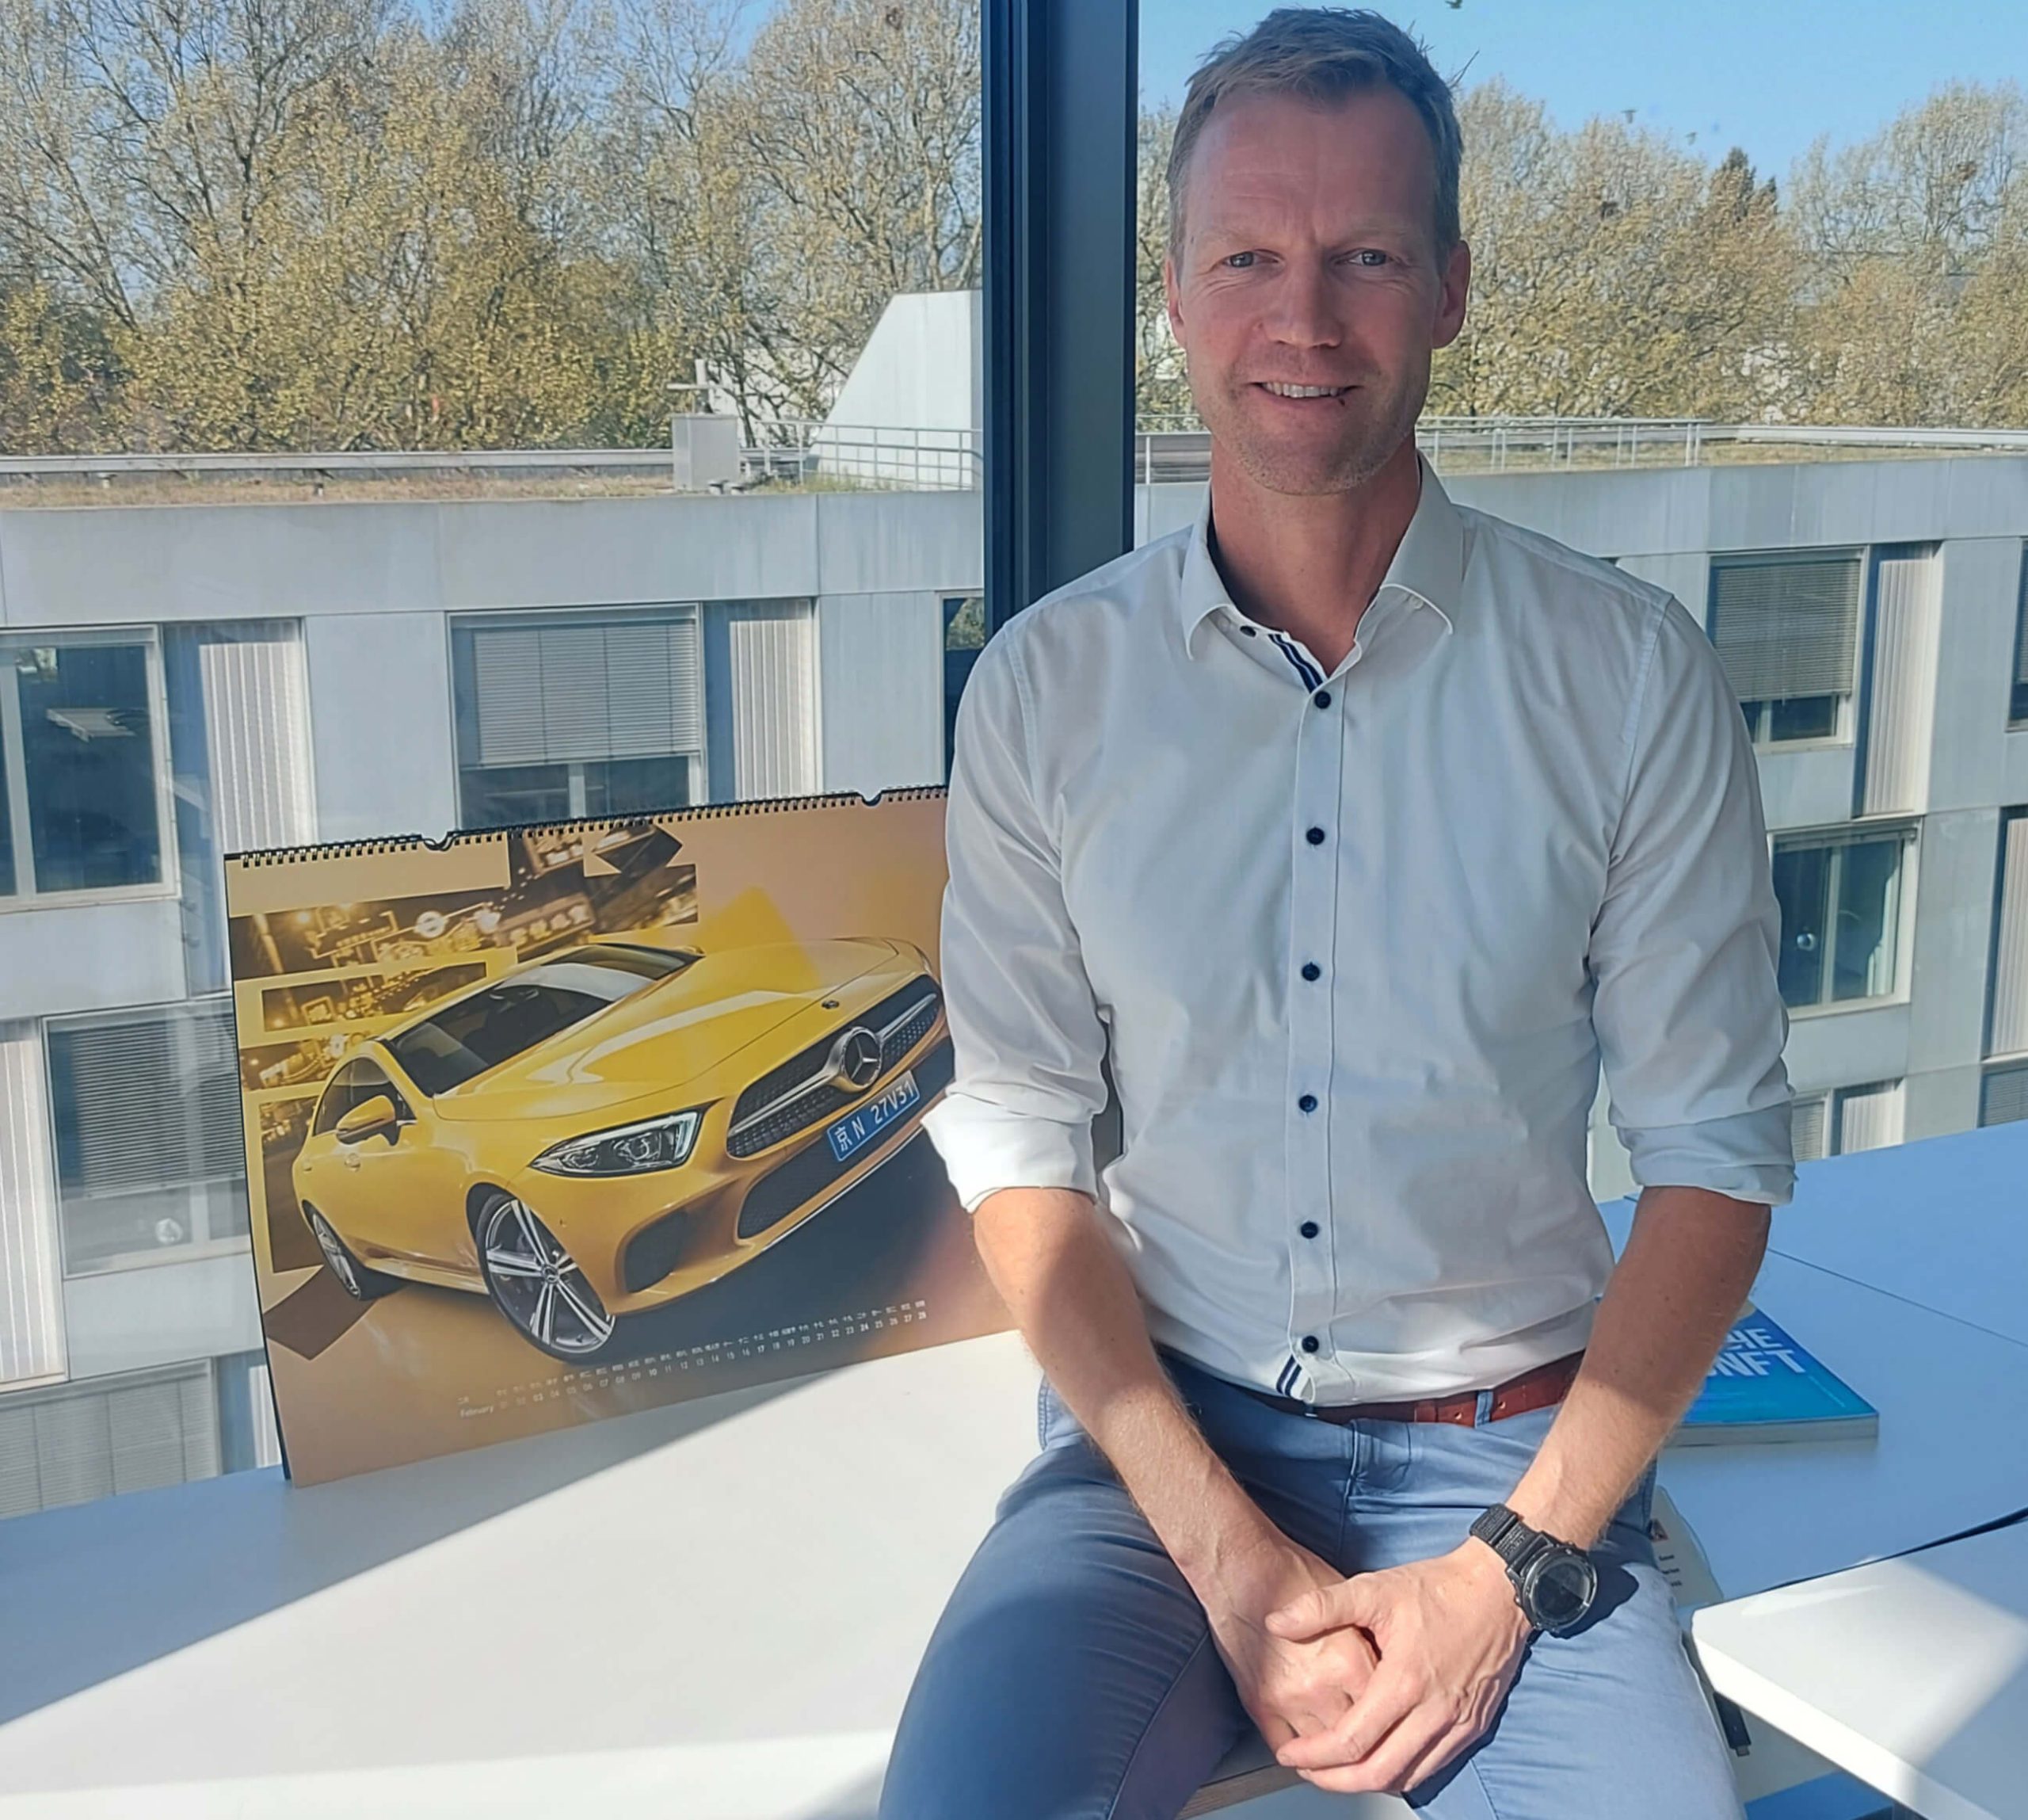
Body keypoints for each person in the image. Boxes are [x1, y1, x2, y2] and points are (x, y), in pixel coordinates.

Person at [885, 9, 1793, 1817]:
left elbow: (1713, 1167)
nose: (1302, 320)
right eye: (1247, 258)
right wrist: (1226, 1555)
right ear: (1171, 290)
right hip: (1162, 1452)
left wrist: (1505, 1581)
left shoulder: (1625, 679)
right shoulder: (1045, 694)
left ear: (1447, 285)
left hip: (1517, 1463)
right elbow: (1024, 1164)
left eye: (1364, 256)